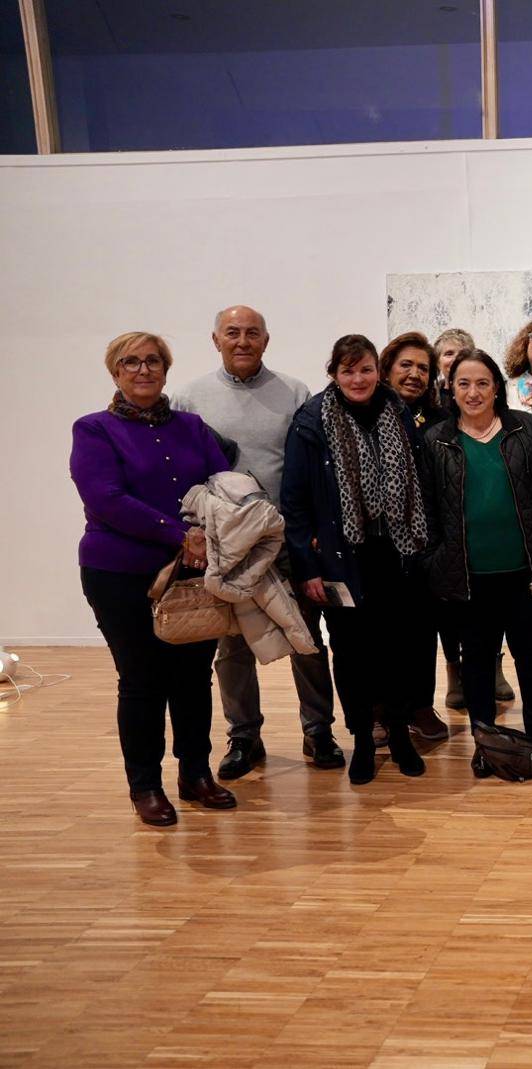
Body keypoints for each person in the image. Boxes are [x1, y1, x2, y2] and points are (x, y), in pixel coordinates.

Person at [72, 332, 238, 826]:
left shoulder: (191, 426)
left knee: (192, 677)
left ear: (165, 369)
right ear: (115, 372)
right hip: (119, 573)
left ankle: (195, 774)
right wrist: (177, 533)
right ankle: (144, 785)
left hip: (191, 574)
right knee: (141, 681)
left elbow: (220, 484)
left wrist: (213, 531)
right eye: (131, 362)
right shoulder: (94, 430)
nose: (143, 370)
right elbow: (106, 499)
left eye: (152, 361)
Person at [172, 305, 342, 778]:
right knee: (232, 648)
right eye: (233, 333)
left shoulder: (294, 392)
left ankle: (318, 730)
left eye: (252, 333)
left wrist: (310, 530)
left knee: (305, 636)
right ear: (215, 340)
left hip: (285, 540)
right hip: (226, 549)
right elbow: (185, 473)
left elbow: (312, 466)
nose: (242, 341)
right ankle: (243, 736)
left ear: (266, 340)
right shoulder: (189, 397)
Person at [281, 335, 433, 785]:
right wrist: (307, 568)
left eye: (365, 369)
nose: (358, 379)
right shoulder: (312, 421)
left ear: (377, 371)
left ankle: (402, 736)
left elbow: (420, 479)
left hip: (398, 552)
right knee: (351, 653)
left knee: (400, 649)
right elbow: (295, 500)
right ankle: (363, 740)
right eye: (348, 371)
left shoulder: (400, 412)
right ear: (334, 374)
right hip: (343, 556)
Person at [418, 348, 532, 774]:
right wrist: (436, 558)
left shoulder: (527, 428)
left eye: (482, 383)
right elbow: (427, 509)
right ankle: (486, 743)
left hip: (525, 572)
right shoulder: (436, 440)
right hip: (469, 577)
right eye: (464, 383)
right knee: (477, 665)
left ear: (496, 388)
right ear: (450, 389)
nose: (473, 392)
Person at [378, 332, 452, 744]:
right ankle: (379, 709)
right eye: (406, 365)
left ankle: (420, 704)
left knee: (422, 628)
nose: (414, 374)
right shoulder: (369, 413)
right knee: (379, 631)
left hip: (424, 541)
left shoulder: (439, 420)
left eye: (423, 368)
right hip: (378, 541)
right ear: (388, 368)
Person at [433, 327, 474, 407]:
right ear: (438, 362)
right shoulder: (428, 398)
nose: (456, 359)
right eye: (449, 354)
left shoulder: (483, 395)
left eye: (463, 354)